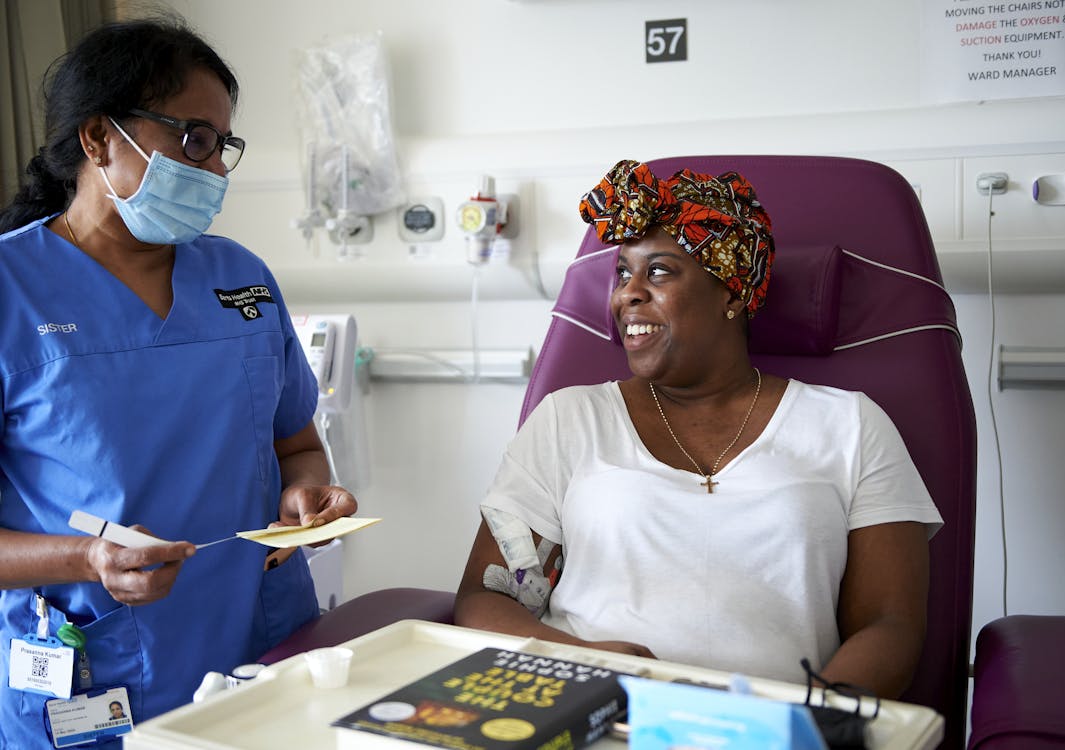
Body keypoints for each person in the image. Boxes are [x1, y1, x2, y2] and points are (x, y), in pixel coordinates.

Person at [455, 159, 943, 699]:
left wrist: (803, 726)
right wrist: (582, 661)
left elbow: (888, 626)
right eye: (621, 273)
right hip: (589, 707)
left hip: (775, 728)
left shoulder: (850, 426)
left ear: (733, 294)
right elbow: (487, 599)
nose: (626, 295)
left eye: (658, 271)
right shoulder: (569, 420)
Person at [0, 18, 356, 748]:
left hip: (264, 651)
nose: (216, 170)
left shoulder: (240, 281)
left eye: (222, 146)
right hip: (98, 671)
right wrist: (89, 561)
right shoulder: (12, 291)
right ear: (98, 139)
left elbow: (297, 445)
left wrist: (307, 494)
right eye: (193, 140)